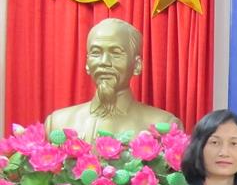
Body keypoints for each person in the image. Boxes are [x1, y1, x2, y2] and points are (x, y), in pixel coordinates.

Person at [45, 18, 181, 139]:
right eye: (96, 52)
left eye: (116, 53)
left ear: (137, 65)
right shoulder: (58, 124)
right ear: (87, 63)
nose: (104, 62)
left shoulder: (163, 127)